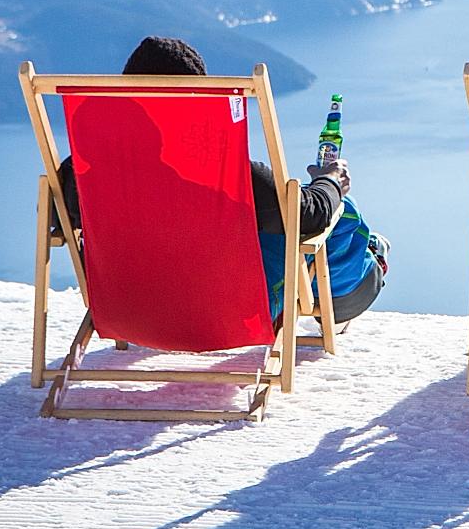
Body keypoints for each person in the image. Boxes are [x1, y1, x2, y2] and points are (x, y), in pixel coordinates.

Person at [52, 36, 389, 327]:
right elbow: (312, 217)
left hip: (129, 314)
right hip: (225, 319)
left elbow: (58, 227)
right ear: (199, 101)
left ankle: (364, 256)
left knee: (270, 222)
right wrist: (331, 180)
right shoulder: (231, 178)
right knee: (338, 213)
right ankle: (359, 278)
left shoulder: (78, 176)